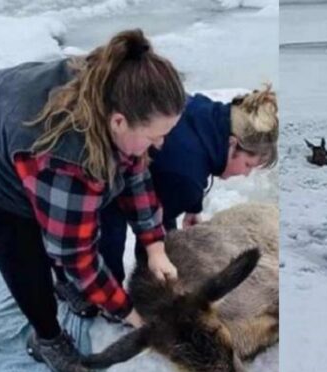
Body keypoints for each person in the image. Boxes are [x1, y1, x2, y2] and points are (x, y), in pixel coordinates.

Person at [0, 29, 185, 372]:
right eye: (154, 136)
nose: (160, 145)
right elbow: (76, 254)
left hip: (1, 130)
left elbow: (134, 169)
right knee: (23, 251)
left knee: (60, 229)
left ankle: (68, 287)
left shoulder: (117, 91)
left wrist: (155, 245)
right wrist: (128, 312)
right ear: (118, 122)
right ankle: (46, 339)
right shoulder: (66, 159)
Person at [53, 87, 278, 317]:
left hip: (150, 162)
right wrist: (143, 269)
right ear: (232, 144)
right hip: (96, 165)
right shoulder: (185, 178)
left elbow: (189, 161)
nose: (246, 174)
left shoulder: (211, 116)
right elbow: (149, 220)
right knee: (109, 235)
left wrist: (192, 207)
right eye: (248, 164)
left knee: (160, 233)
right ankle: (79, 287)